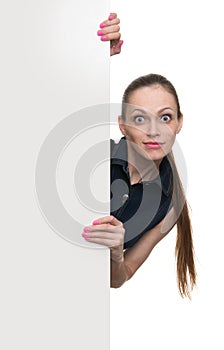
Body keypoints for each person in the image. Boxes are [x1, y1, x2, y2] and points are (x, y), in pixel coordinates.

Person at [81, 13, 196, 298]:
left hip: (77, 306)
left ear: (179, 122)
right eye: (140, 119)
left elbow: (119, 279)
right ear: (122, 124)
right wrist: (92, 54)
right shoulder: (93, 152)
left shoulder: (170, 207)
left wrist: (116, 255)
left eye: (165, 117)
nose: (155, 131)